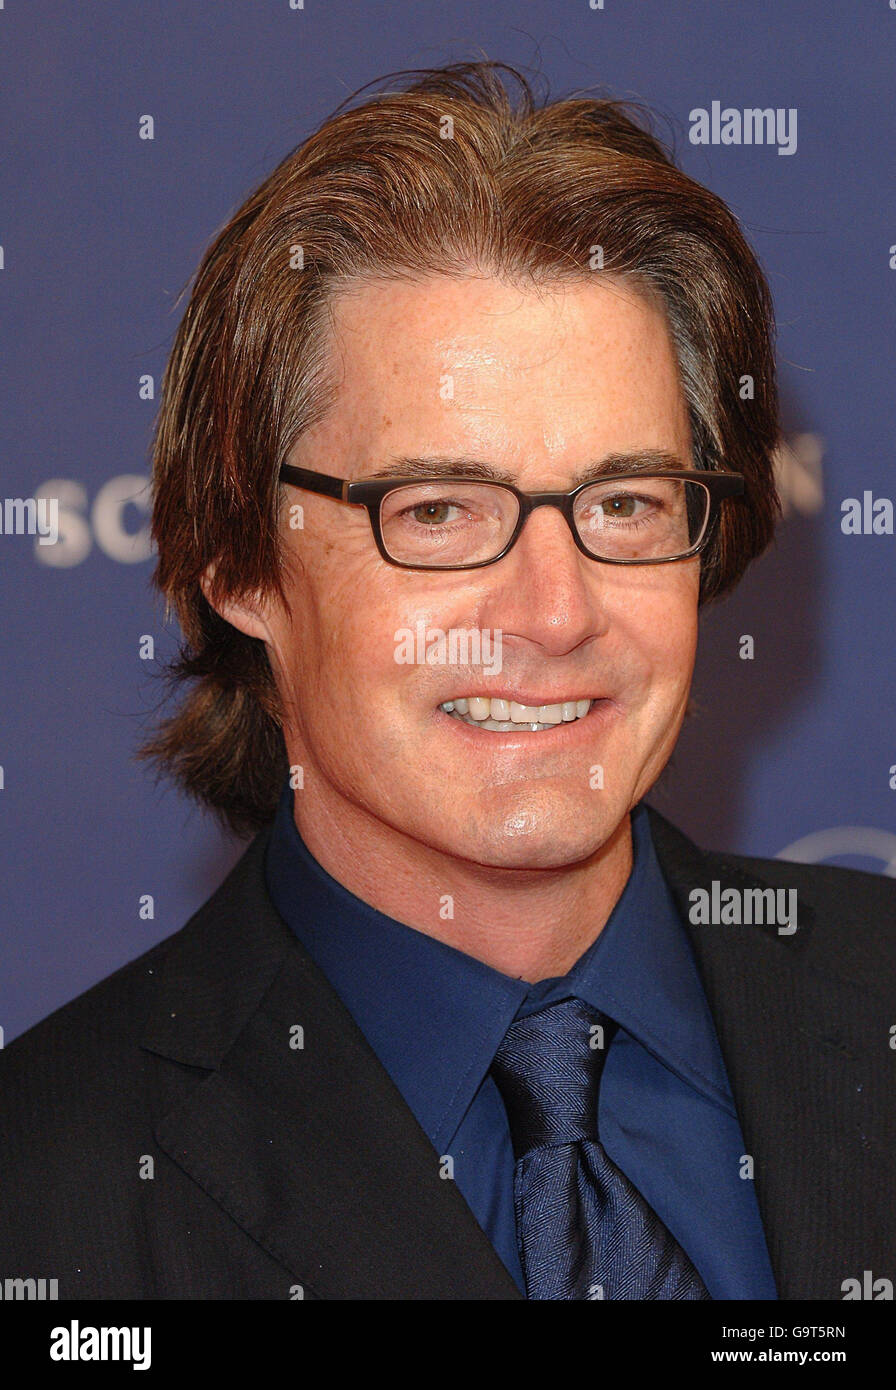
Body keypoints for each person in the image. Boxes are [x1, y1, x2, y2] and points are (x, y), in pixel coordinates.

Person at [1, 61, 893, 1302]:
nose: (550, 611)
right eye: (436, 511)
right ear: (240, 563)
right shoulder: (44, 1200)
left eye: (623, 503)